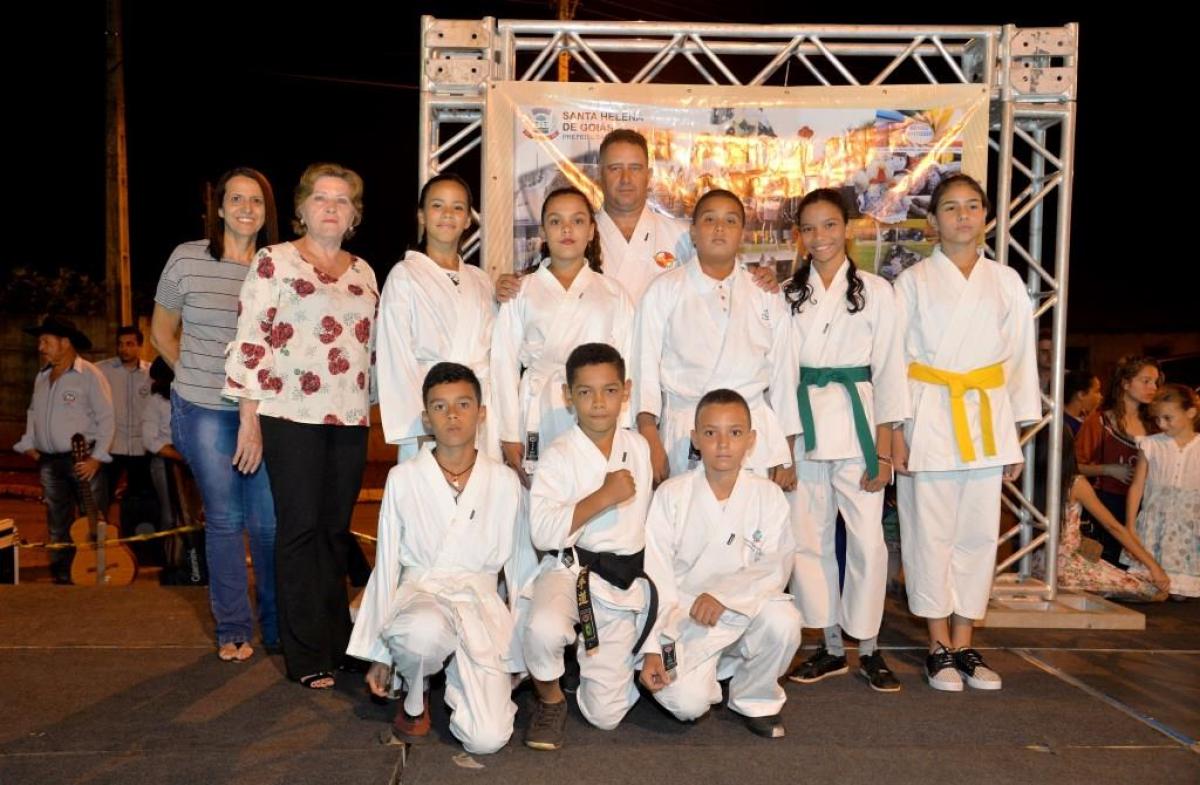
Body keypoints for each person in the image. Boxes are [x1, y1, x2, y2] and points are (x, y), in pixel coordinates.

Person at [224, 162, 379, 687]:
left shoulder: (364, 272)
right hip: (289, 415)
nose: (331, 207)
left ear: (354, 215)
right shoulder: (274, 261)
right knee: (300, 529)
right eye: (321, 198)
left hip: (350, 418)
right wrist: (249, 419)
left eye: (342, 200)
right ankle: (307, 653)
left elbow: (371, 351)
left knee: (335, 532)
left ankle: (338, 642)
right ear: (302, 209)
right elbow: (252, 338)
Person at [892, 173, 1040, 692]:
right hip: (930, 412)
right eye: (950, 207)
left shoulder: (1006, 281)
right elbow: (895, 361)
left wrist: (1015, 433)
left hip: (986, 416)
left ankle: (965, 641)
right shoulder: (912, 282)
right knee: (929, 533)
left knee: (977, 534)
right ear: (933, 220)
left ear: (986, 217)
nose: (962, 215)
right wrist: (898, 430)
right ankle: (938, 645)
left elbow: (1020, 360)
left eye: (972, 206)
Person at [349, 363, 524, 754]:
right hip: (423, 595)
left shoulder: (504, 481)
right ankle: (414, 684)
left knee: (487, 739)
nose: (453, 415)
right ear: (426, 418)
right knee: (421, 635)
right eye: (440, 407)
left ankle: (462, 675)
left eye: (463, 404)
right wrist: (381, 653)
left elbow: (519, 571)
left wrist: (518, 652)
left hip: (478, 602)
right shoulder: (404, 478)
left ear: (481, 413)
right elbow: (387, 564)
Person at [782, 189, 908, 692]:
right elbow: (779, 373)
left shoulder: (877, 290)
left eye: (830, 225)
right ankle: (830, 645)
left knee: (868, 541)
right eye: (810, 228)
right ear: (799, 236)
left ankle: (870, 646)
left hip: (859, 424)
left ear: (847, 229)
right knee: (808, 538)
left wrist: (885, 450)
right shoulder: (788, 294)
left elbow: (891, 369)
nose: (821, 237)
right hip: (805, 423)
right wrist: (783, 446)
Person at [152, 166, 280, 662]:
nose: (247, 208)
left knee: (267, 524)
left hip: (265, 413)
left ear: (267, 212)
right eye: (237, 199)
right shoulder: (186, 258)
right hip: (204, 409)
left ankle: (276, 628)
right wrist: (195, 376)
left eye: (257, 201)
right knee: (225, 520)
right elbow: (161, 332)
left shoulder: (278, 265)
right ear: (220, 208)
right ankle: (233, 629)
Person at [640, 389, 800, 738]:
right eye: (711, 433)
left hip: (743, 608)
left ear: (751, 440)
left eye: (735, 433)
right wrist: (652, 647)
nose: (723, 444)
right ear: (695, 439)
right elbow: (655, 575)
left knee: (784, 619)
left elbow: (776, 565)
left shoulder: (768, 495)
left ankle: (754, 698)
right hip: (684, 618)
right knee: (687, 704)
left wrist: (724, 596)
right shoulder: (672, 494)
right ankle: (699, 671)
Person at [520, 343, 653, 749]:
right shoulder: (558, 454)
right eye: (585, 392)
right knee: (543, 629)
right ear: (568, 395)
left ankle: (598, 662)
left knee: (605, 716)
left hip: (619, 582)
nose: (598, 403)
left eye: (609, 390)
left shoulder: (639, 448)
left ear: (626, 391)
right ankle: (550, 698)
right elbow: (543, 533)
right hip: (571, 571)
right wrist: (602, 497)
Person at [632, 189, 799, 490]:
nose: (720, 228)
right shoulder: (663, 290)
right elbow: (644, 367)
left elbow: (784, 375)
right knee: (686, 515)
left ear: (742, 233)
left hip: (751, 433)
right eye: (710, 220)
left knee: (752, 515)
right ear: (694, 232)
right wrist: (650, 438)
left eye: (730, 221)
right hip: (687, 428)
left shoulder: (764, 293)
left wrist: (785, 450)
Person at [494, 128, 777, 305]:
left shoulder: (683, 235)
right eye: (615, 168)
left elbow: (724, 273)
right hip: (597, 367)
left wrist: (758, 277)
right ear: (599, 174)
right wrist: (512, 287)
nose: (626, 179)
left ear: (649, 176)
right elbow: (543, 282)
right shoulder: (578, 236)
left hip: (664, 364)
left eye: (635, 168)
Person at [491, 186, 634, 487]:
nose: (567, 229)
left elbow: (628, 363)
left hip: (596, 408)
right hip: (537, 408)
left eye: (577, 221)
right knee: (538, 495)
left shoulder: (614, 293)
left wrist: (624, 427)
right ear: (543, 232)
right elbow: (503, 363)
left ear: (591, 231)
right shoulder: (521, 290)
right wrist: (509, 434)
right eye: (556, 221)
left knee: (595, 491)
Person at [377, 174, 498, 462]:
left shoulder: (481, 280)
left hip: (478, 409)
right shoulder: (404, 275)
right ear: (421, 215)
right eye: (437, 205)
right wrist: (420, 428)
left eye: (458, 207)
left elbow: (496, 351)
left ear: (468, 220)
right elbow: (396, 357)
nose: (447, 214)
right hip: (431, 412)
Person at [14, 317, 114, 584]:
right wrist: (29, 443)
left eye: (45, 341)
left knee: (92, 519)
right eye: (40, 342)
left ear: (65, 343)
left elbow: (107, 418)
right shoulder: (42, 376)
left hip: (83, 459)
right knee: (56, 520)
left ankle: (98, 569)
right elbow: (33, 412)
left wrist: (97, 459)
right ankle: (63, 572)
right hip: (49, 462)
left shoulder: (90, 375)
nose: (40, 347)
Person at [1032, 428, 1168, 601]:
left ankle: (1080, 591)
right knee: (1154, 591)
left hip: (1035, 565)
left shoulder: (1029, 482)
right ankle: (1080, 589)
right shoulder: (1075, 484)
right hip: (1065, 565)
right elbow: (1113, 526)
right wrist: (1153, 566)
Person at [1076, 356, 1161, 566]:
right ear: (1125, 383)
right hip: (1107, 507)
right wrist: (1108, 469)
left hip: (1147, 507)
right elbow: (1073, 467)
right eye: (1146, 381)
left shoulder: (1156, 424)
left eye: (1156, 382)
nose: (1153, 387)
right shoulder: (1098, 421)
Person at [1124, 384, 1199, 599]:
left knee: (1181, 594)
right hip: (1155, 521)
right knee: (1150, 591)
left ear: (1190, 413)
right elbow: (1137, 486)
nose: (1161, 424)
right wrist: (1130, 525)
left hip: (1188, 524)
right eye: (1157, 419)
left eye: (1168, 418)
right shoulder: (1151, 444)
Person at [97, 325, 152, 516]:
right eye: (120, 344)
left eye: (129, 344)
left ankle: (131, 531)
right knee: (102, 498)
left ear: (140, 346)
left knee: (138, 501)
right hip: (112, 446)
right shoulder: (102, 370)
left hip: (141, 448)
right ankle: (99, 532)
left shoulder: (151, 374)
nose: (124, 349)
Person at [1063, 369, 1102, 437]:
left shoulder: (1083, 420)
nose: (1100, 396)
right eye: (1097, 391)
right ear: (1081, 395)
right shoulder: (1063, 426)